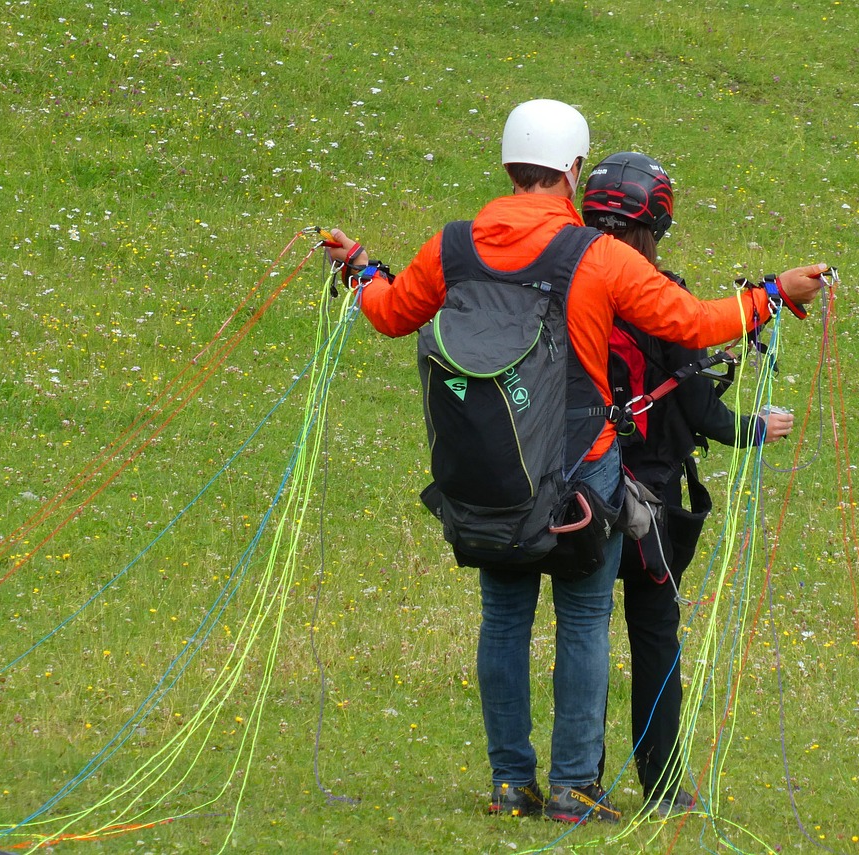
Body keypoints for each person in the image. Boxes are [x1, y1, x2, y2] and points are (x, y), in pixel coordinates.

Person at [323, 99, 832, 824]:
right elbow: (694, 323)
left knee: (504, 618)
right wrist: (774, 294)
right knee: (584, 618)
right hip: (581, 469)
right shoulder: (598, 255)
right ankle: (572, 787)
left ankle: (511, 783)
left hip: (491, 466)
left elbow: (389, 311)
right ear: (572, 170)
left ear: (509, 165)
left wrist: (358, 268)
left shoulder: (452, 246)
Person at [582, 152, 795, 817]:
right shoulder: (660, 298)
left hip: (576, 492)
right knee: (654, 635)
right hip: (650, 503)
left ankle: (578, 774)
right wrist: (756, 427)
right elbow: (702, 413)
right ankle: (663, 784)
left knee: (583, 631)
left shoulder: (568, 291)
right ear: (656, 226)